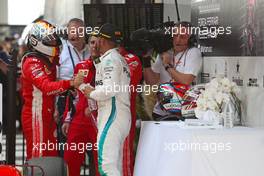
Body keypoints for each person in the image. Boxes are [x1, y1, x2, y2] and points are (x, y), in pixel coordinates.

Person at [21, 20, 83, 160]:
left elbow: (52, 87)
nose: (54, 42)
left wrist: (66, 90)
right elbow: (46, 87)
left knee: (51, 158)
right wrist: (71, 83)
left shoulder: (48, 61)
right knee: (39, 159)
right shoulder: (32, 62)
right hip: (35, 117)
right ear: (37, 41)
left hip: (48, 116)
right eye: (49, 39)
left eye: (54, 38)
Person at [83, 23, 131, 176]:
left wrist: (88, 91)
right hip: (119, 115)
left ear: (102, 41)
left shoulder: (110, 60)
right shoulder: (117, 58)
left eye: (96, 39)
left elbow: (109, 90)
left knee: (106, 167)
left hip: (112, 114)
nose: (94, 43)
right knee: (114, 165)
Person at [143, 21, 202, 119]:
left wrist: (167, 65)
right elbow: (151, 82)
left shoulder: (193, 52)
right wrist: (145, 59)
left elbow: (186, 80)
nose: (178, 40)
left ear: (190, 40)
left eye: (183, 37)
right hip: (161, 111)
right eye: (175, 35)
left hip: (183, 111)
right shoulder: (166, 52)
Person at [62, 35, 100, 176]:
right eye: (91, 42)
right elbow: (73, 94)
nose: (94, 46)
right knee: (71, 159)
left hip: (100, 119)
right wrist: (67, 118)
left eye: (98, 42)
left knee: (101, 161)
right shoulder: (81, 65)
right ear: (88, 44)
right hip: (79, 119)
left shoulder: (110, 65)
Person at [56, 18, 90, 155]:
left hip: (88, 101)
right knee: (66, 145)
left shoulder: (91, 50)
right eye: (72, 31)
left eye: (78, 31)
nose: (75, 34)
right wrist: (55, 108)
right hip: (66, 101)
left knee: (90, 145)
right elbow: (55, 79)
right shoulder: (61, 50)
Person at [118, 46, 142, 176]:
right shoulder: (100, 60)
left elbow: (126, 88)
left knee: (124, 158)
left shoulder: (132, 59)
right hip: (104, 116)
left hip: (123, 115)